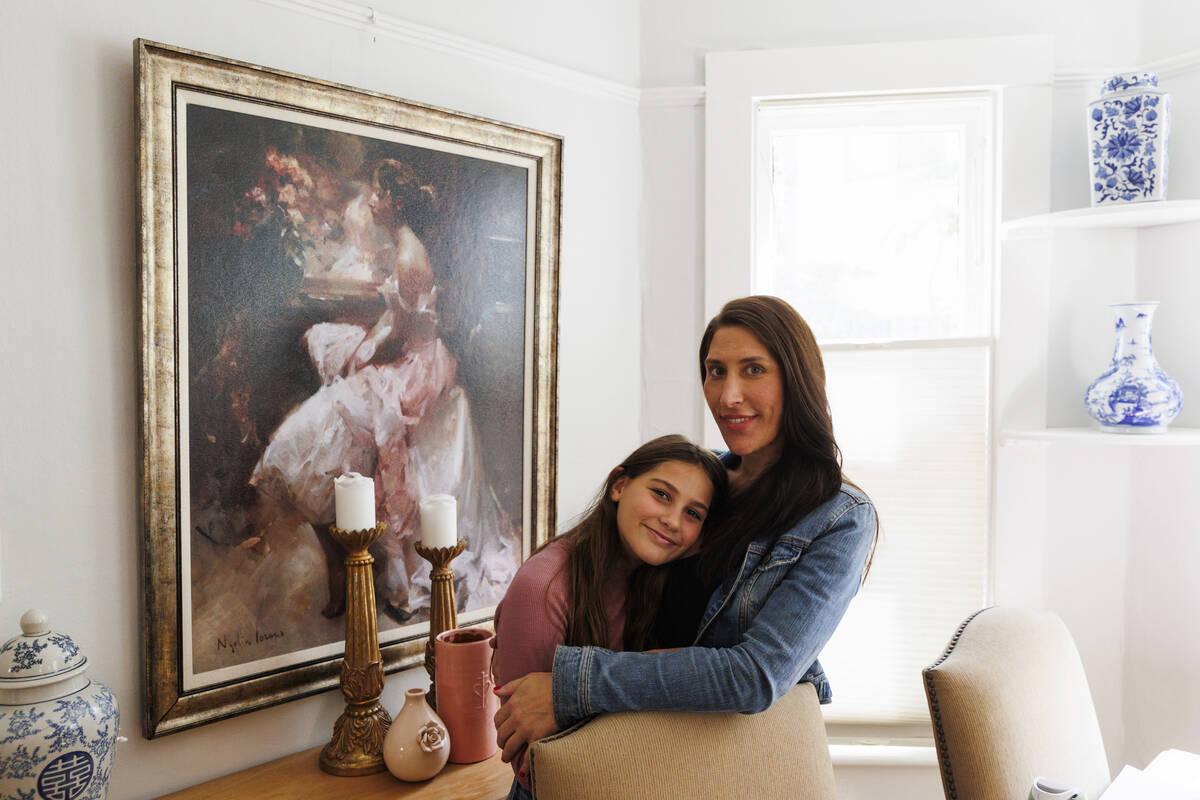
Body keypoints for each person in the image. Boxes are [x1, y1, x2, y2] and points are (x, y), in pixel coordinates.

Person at [492, 295, 879, 766]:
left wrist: (574, 686)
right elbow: (606, 570)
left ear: (796, 380)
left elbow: (755, 676)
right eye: (716, 371)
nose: (728, 395)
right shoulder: (699, 483)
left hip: (731, 767)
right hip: (625, 755)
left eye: (753, 369)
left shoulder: (840, 518)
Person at [250, 158, 517, 621]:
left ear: (395, 201)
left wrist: (367, 352)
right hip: (408, 350)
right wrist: (367, 343)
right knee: (330, 353)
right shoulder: (401, 247)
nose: (371, 201)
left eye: (378, 193)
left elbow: (401, 334)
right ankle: (343, 549)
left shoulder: (409, 255)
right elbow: (392, 321)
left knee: (336, 403)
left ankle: (351, 547)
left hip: (418, 366)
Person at [492, 434, 728, 800]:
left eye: (693, 513)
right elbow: (531, 764)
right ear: (619, 485)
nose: (672, 520)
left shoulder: (664, 582)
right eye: (662, 494)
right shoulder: (543, 587)